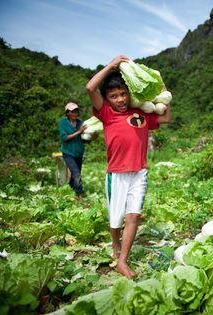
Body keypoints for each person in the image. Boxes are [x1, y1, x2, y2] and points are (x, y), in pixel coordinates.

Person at [85, 55, 171, 279]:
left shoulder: (142, 114)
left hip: (139, 172)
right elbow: (90, 87)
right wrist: (112, 65)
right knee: (116, 218)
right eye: (114, 96)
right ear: (107, 99)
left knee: (133, 216)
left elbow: (166, 118)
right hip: (117, 174)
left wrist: (163, 89)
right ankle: (115, 241)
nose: (120, 99)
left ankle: (122, 260)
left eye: (123, 94)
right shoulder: (106, 113)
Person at [58, 102, 88, 202]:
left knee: (76, 173)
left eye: (76, 111)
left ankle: (71, 188)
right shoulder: (63, 123)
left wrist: (92, 136)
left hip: (79, 153)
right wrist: (79, 132)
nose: (75, 113)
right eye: (72, 112)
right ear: (67, 113)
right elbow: (64, 138)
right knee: (76, 173)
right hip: (68, 153)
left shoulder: (81, 123)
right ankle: (79, 196)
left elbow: (84, 139)